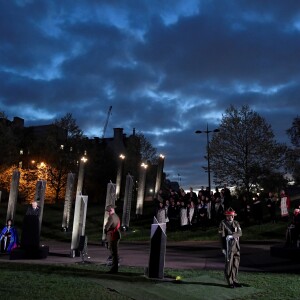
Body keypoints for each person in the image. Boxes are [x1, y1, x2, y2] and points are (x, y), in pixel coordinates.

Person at [218, 207, 242, 288]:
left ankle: (234, 279)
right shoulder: (223, 223)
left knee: (236, 264)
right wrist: (222, 248)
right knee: (229, 264)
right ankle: (230, 281)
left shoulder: (236, 223)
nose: (229, 217)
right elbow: (221, 237)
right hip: (228, 247)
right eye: (227, 216)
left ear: (233, 216)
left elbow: (240, 233)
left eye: (231, 216)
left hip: (236, 247)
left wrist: (232, 236)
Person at [104, 204, 121, 274]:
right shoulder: (116, 216)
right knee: (115, 252)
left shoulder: (111, 217)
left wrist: (105, 232)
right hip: (116, 234)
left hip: (112, 235)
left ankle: (114, 269)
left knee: (113, 253)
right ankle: (115, 268)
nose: (108, 213)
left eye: (109, 211)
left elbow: (107, 227)